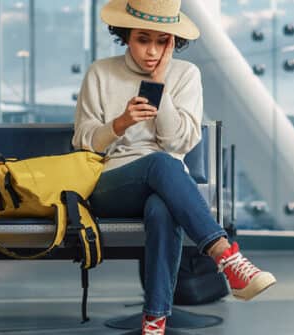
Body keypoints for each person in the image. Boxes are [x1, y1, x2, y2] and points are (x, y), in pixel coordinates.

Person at [73, 0, 276, 333]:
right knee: (161, 165)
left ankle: (154, 321)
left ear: (173, 40)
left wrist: (159, 85)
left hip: (166, 184)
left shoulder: (185, 75)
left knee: (162, 207)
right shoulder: (100, 73)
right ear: (126, 35)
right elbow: (83, 142)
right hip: (111, 183)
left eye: (161, 40)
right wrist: (120, 123)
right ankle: (228, 258)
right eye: (143, 39)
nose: (152, 50)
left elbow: (178, 143)